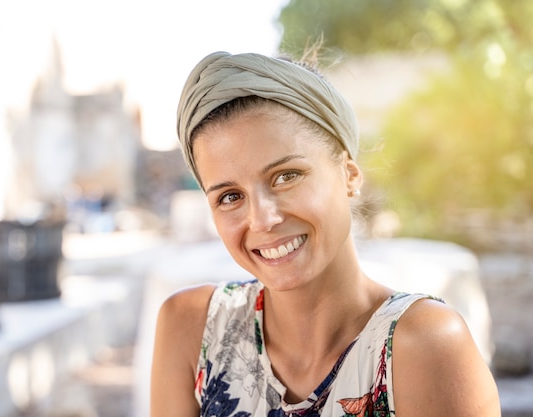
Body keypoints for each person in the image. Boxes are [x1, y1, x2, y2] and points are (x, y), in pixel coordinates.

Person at [151, 51, 501, 417]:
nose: (263, 219)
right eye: (230, 196)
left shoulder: (426, 345)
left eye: (286, 176)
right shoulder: (192, 328)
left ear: (349, 174)